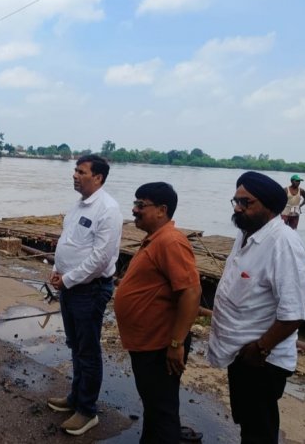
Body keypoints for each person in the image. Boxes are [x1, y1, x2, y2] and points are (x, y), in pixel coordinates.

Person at [209, 171, 305, 444]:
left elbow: (297, 312)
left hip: (261, 359)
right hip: (241, 353)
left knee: (260, 430)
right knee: (248, 421)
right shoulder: (246, 233)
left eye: (246, 202)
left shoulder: (283, 243)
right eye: (236, 201)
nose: (238, 208)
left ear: (269, 206)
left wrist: (260, 349)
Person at [114, 182, 202, 444]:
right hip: (148, 343)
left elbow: (191, 292)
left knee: (162, 410)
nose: (135, 210)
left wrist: (176, 343)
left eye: (141, 205)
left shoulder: (171, 241)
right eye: (135, 204)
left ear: (162, 210)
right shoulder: (156, 239)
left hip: (160, 344)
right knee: (154, 404)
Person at [47, 154, 123, 436]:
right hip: (69, 286)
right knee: (75, 345)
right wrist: (57, 270)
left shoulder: (108, 210)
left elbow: (101, 259)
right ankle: (75, 397)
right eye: (75, 170)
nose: (75, 175)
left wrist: (68, 279)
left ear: (98, 178)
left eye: (81, 171)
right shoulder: (78, 206)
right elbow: (68, 242)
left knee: (88, 351)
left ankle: (87, 411)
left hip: (89, 290)